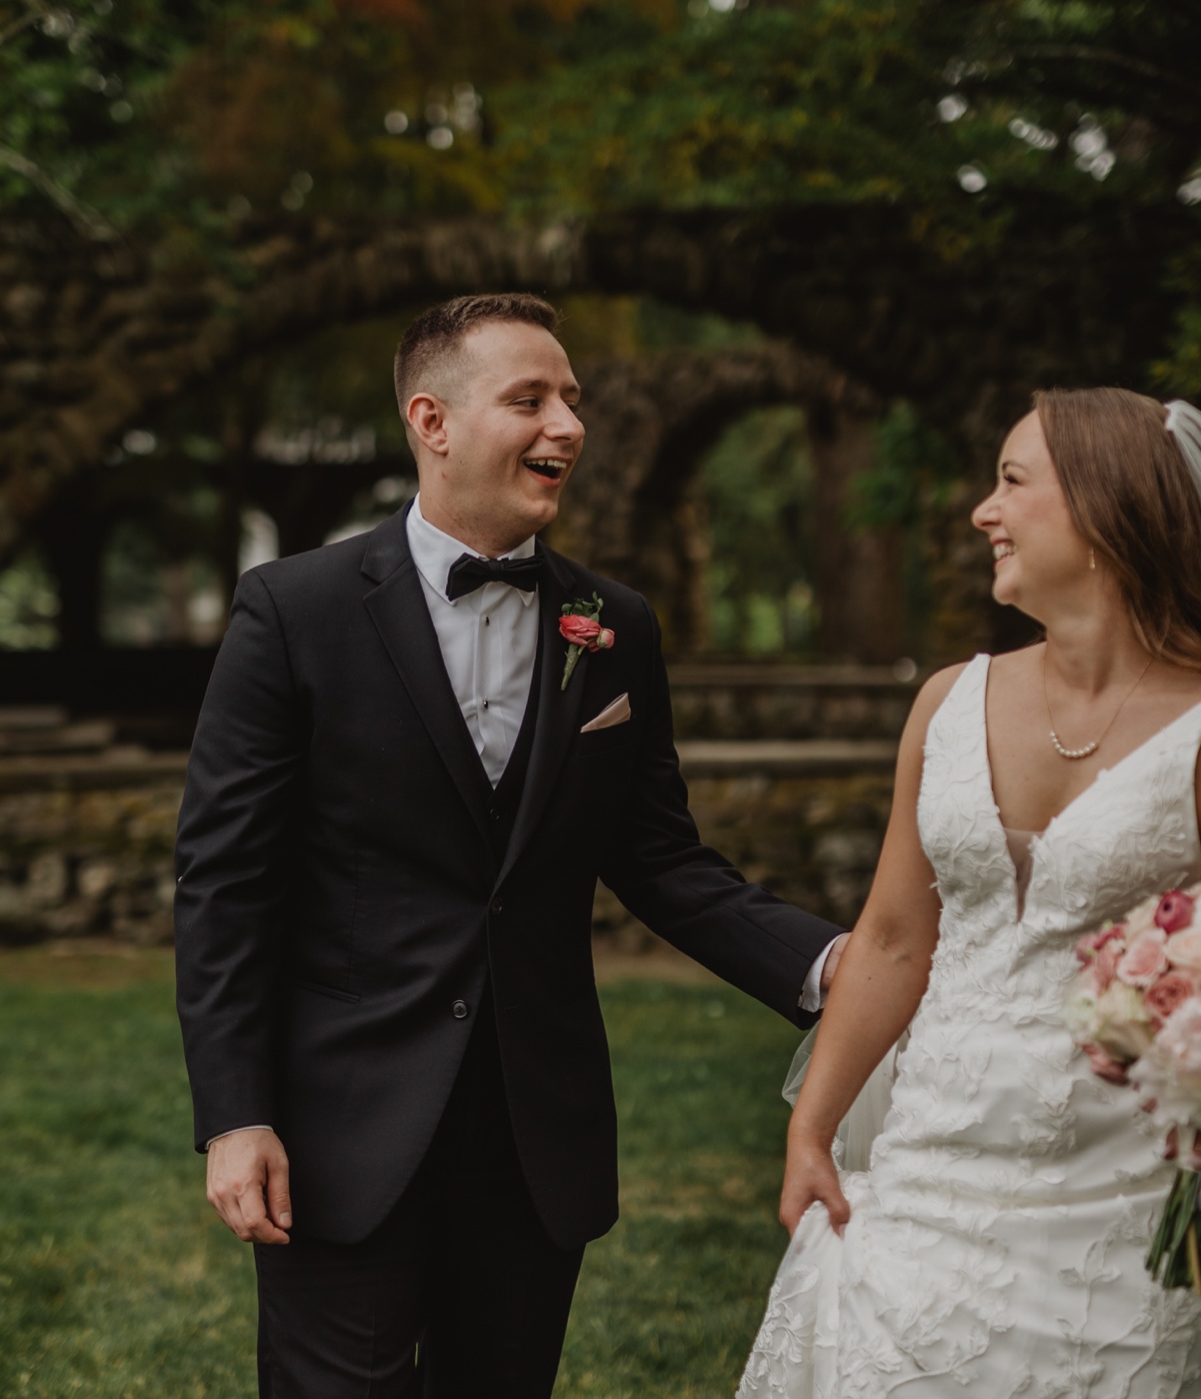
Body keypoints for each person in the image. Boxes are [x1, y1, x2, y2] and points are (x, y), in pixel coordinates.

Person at [173, 293, 846, 1397]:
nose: (568, 425)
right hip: (341, 1124)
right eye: (530, 399)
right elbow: (225, 885)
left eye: (572, 400)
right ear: (431, 421)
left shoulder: (614, 625)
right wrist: (235, 1114)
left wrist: (829, 967)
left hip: (536, 1132)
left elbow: (665, 862)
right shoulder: (293, 611)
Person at [739, 388, 1201, 1398]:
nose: (982, 510)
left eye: (1011, 481)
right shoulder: (947, 701)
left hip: (1116, 1210)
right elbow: (890, 939)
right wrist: (812, 1127)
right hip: (919, 1175)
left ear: (1105, 512)